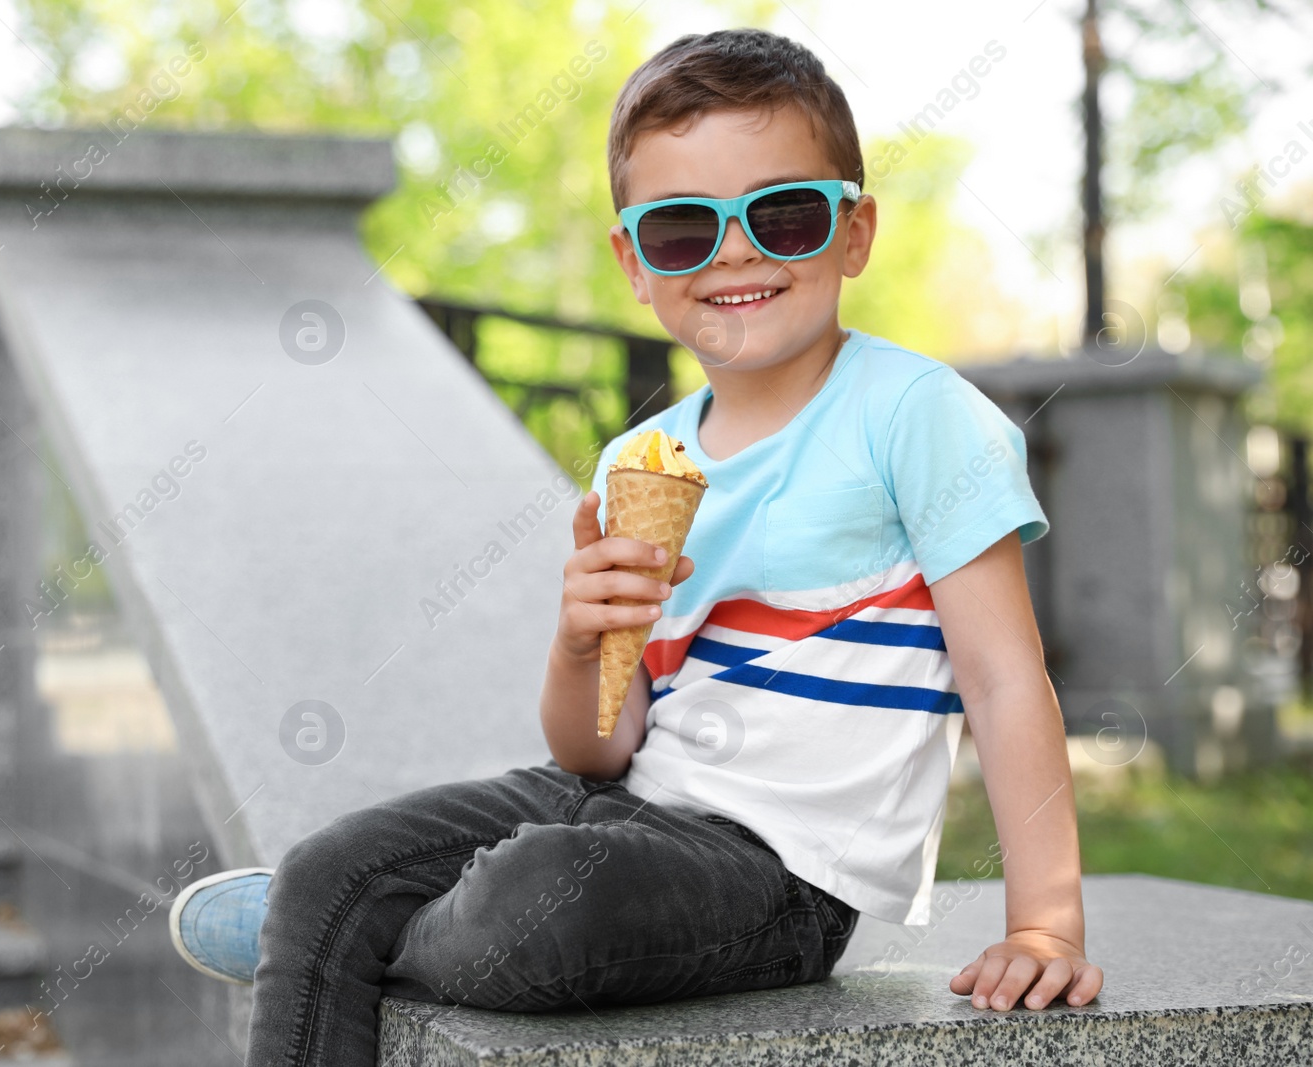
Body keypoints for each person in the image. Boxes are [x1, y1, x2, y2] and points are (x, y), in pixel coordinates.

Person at [168, 27, 1104, 1067]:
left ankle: (329, 936)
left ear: (852, 231)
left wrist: (1045, 922)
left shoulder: (918, 415)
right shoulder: (639, 458)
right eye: (680, 230)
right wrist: (580, 643)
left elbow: (1006, 680)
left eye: (781, 212)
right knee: (327, 861)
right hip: (617, 801)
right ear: (633, 262)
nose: (735, 250)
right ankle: (322, 915)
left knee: (530, 902)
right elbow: (596, 749)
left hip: (778, 876)